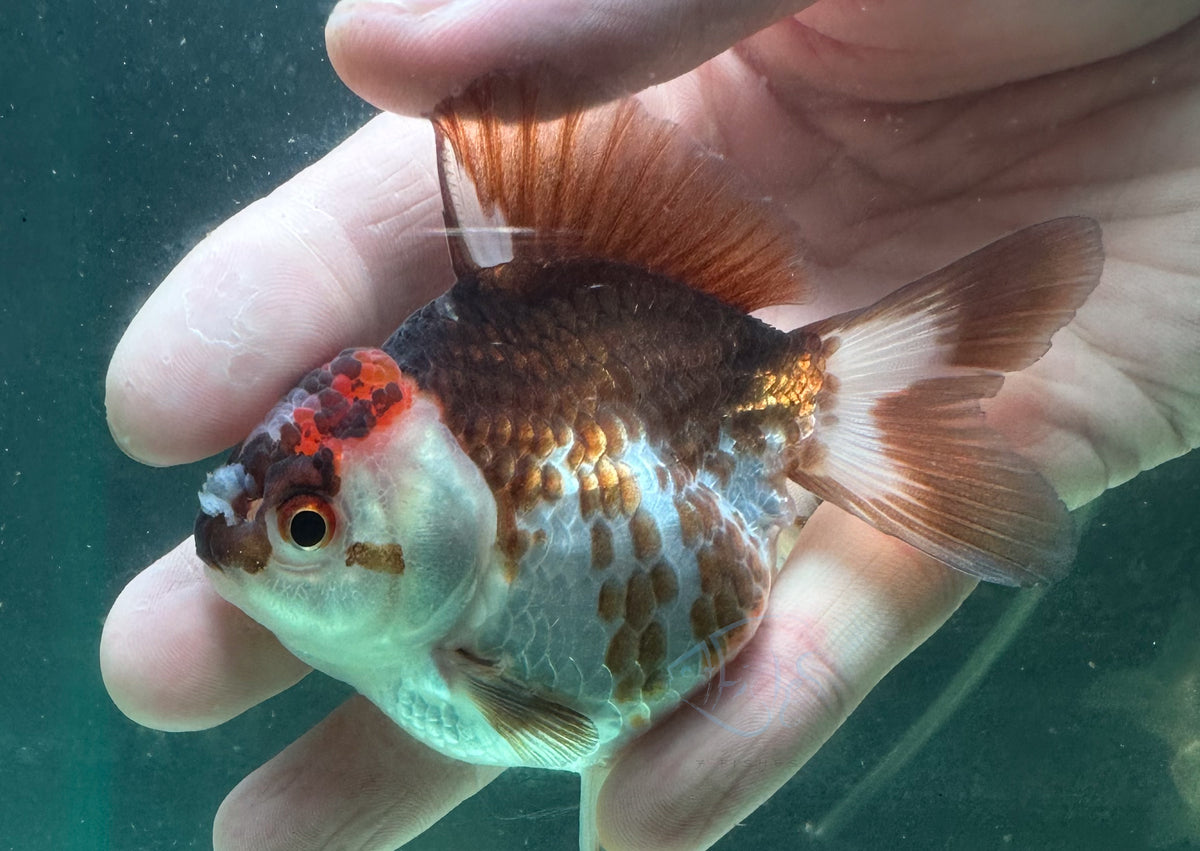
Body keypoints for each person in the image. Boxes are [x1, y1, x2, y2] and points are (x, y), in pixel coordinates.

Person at [100, 2, 1200, 848]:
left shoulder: (464, 641)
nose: (279, 550)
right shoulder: (443, 620)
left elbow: (551, 723)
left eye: (307, 526)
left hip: (726, 381)